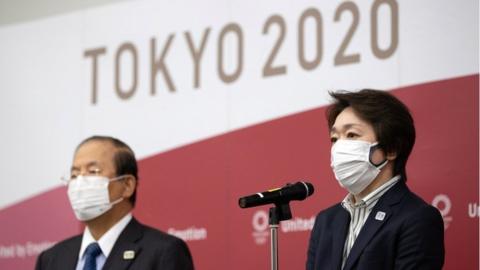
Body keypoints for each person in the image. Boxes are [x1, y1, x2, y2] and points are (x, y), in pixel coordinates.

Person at [306, 89, 445, 270]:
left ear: (391, 148)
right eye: (334, 138)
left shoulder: (418, 218)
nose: (339, 147)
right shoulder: (326, 220)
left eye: (352, 135)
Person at [35, 136, 194, 270]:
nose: (80, 182)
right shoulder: (51, 259)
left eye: (93, 172)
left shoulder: (164, 252)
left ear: (127, 185)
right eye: (75, 174)